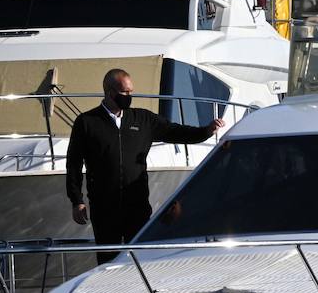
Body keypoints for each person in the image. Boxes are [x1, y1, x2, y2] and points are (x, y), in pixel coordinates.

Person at [66, 68, 224, 261]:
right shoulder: (87, 122)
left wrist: (206, 131)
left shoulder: (143, 119)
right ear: (110, 92)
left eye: (131, 91)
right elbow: (73, 164)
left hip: (137, 207)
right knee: (108, 262)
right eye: (125, 92)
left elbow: (175, 131)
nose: (129, 96)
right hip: (104, 209)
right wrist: (77, 200)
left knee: (141, 259)